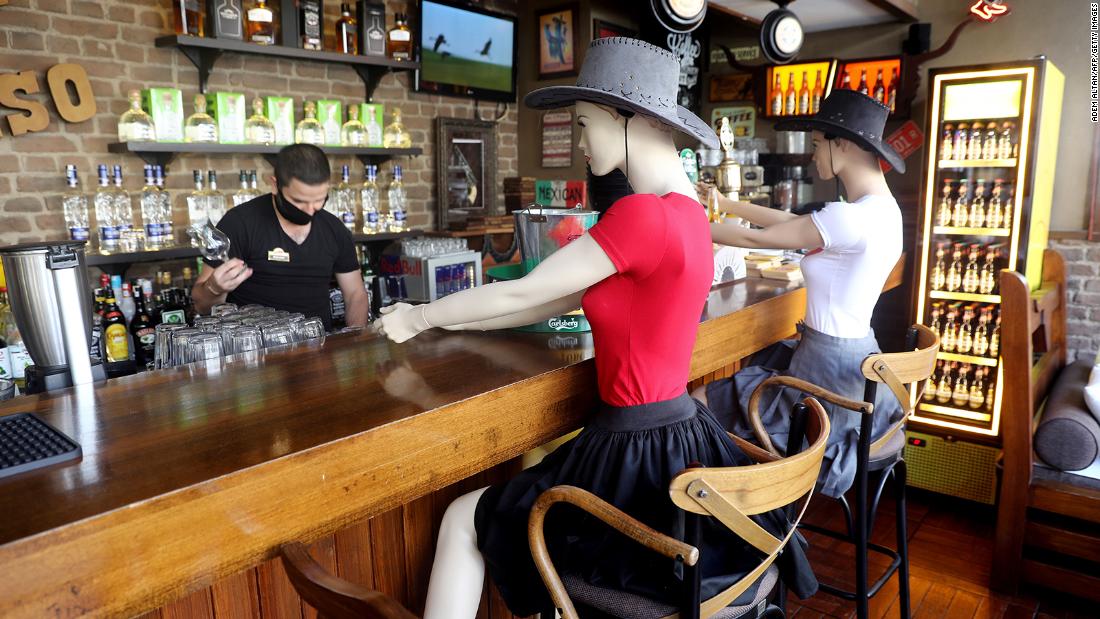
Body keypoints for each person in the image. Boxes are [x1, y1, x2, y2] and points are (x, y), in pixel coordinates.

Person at [376, 37, 815, 618]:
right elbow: (544, 301)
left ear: (623, 117)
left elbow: (525, 288)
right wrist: (455, 329)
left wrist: (420, 314)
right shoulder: (688, 214)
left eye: (585, 124)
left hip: (629, 455)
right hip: (678, 440)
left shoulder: (640, 214)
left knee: (464, 518)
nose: (582, 142)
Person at [693, 89, 906, 499]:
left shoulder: (850, 217)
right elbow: (797, 222)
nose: (812, 156)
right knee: (747, 376)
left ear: (840, 143)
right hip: (855, 369)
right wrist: (725, 203)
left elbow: (767, 237)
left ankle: (736, 514)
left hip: (822, 379)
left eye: (815, 145)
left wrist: (684, 221)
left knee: (699, 400)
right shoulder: (883, 211)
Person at [192, 144, 369, 330]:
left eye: (319, 201)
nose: (310, 211)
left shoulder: (335, 229)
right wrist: (215, 288)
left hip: (318, 349)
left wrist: (356, 339)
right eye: (299, 201)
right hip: (254, 351)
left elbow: (355, 294)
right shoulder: (238, 222)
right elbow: (201, 305)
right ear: (275, 185)